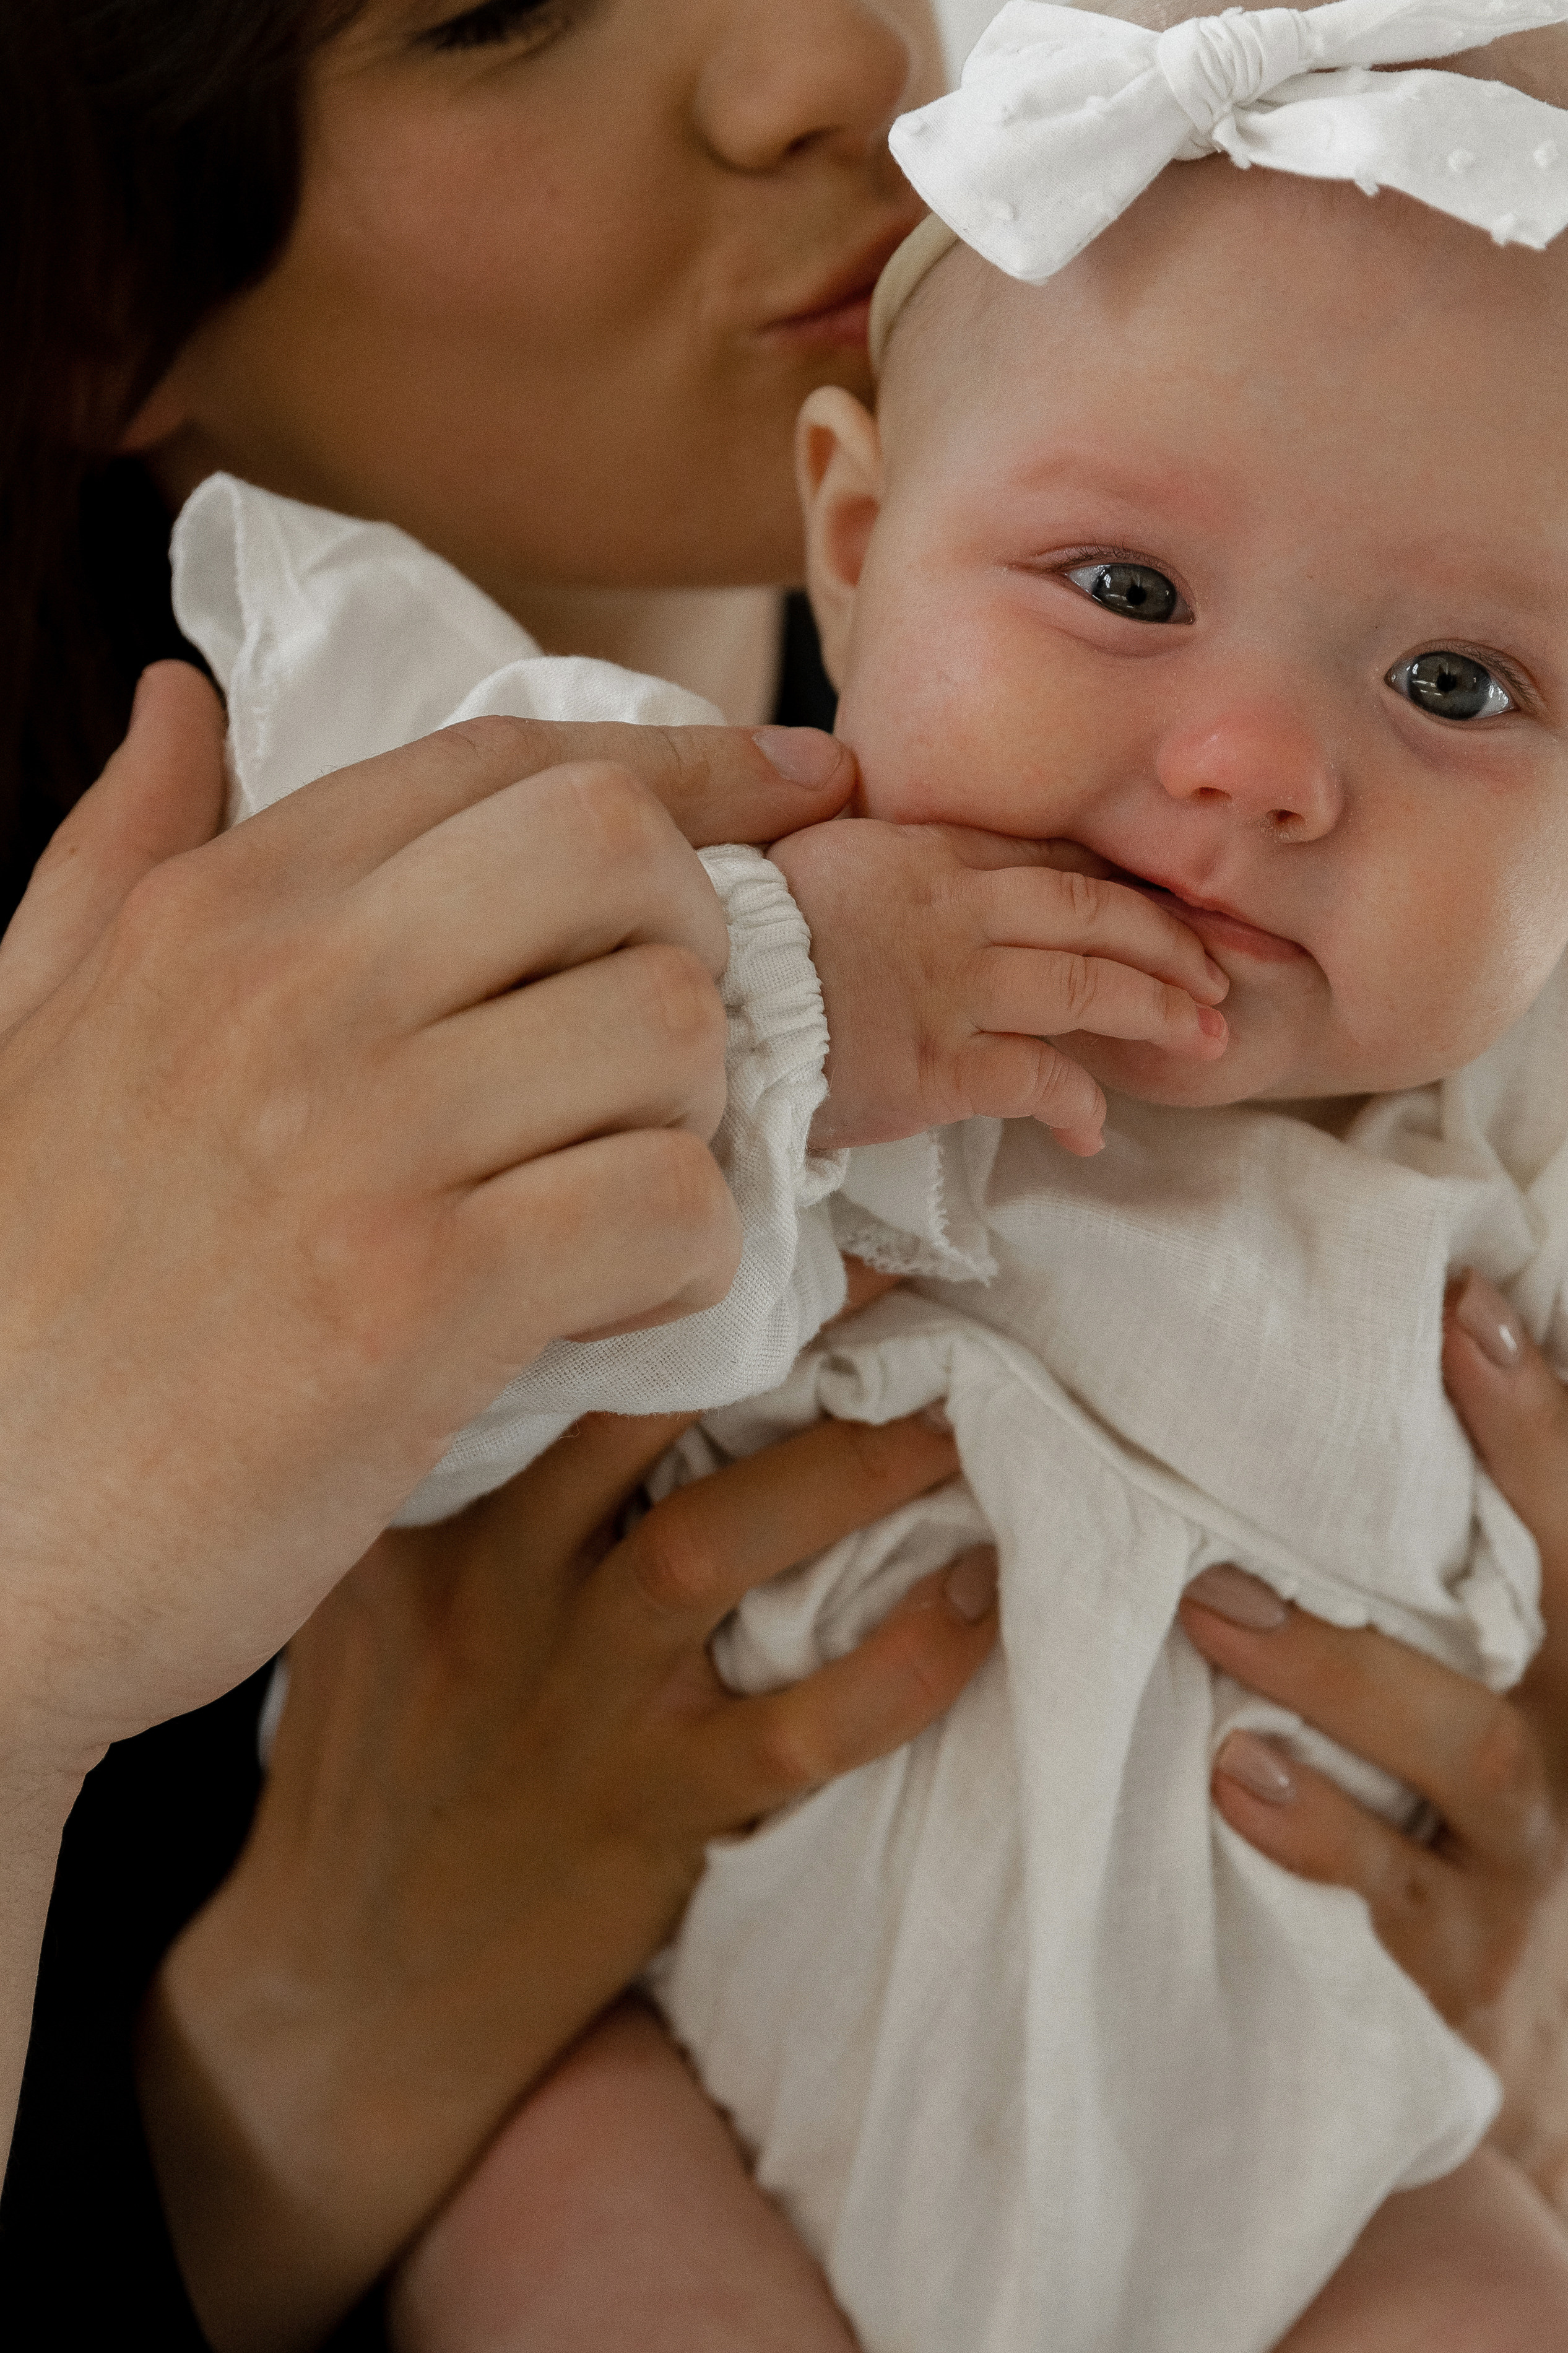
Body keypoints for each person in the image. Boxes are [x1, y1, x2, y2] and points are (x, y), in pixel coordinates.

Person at [4, 2, 1568, 2348]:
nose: (828, 55)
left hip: (1306, 2125)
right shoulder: (196, 1026)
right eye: (512, 11)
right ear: (92, 290)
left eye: (1451, 683)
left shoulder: (1455, 1009)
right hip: (687, 2104)